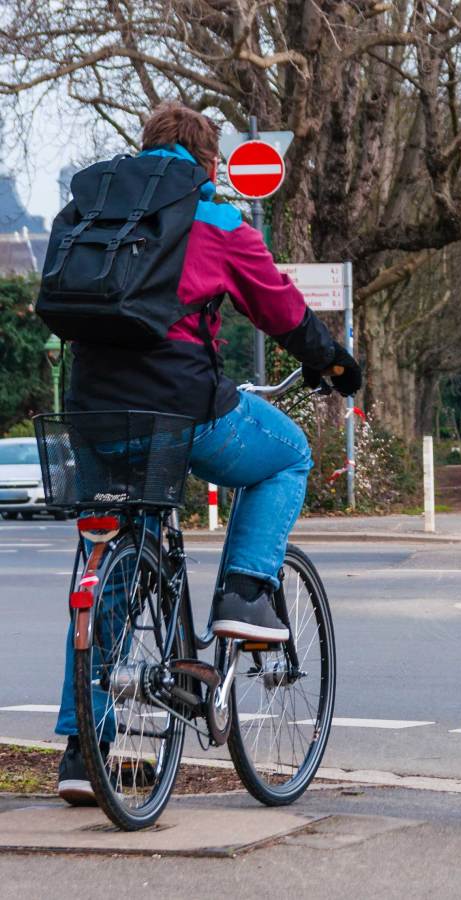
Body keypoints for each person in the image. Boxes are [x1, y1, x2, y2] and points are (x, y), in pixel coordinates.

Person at [50, 102, 362, 804]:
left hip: (91, 411)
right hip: (178, 407)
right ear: (209, 160)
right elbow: (278, 305)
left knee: (105, 569)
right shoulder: (214, 217)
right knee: (287, 455)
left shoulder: (93, 209)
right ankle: (245, 593)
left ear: (145, 147)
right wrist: (332, 363)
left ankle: (81, 752)